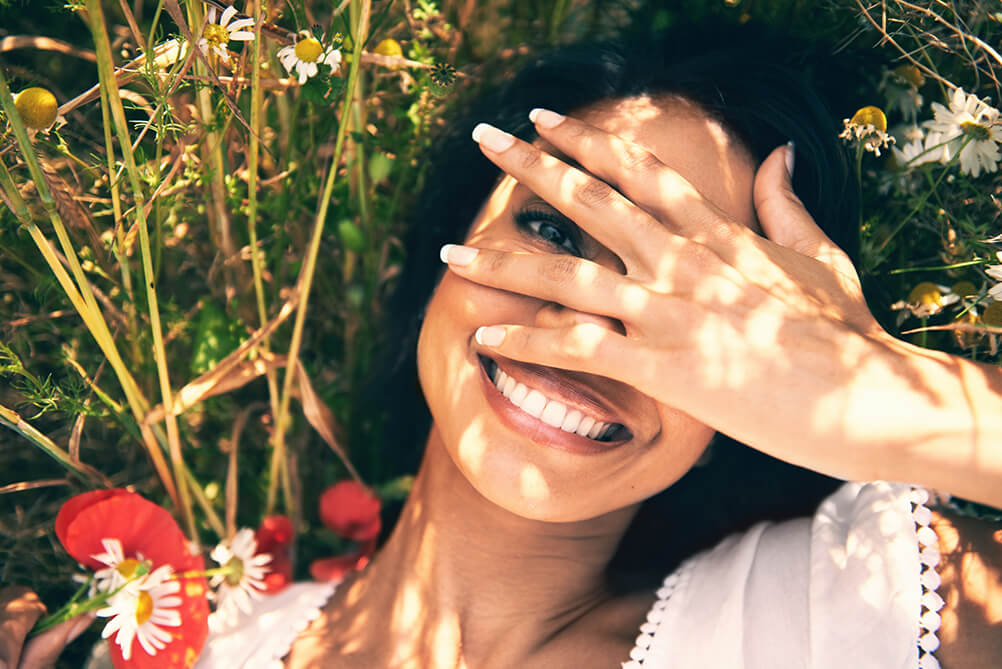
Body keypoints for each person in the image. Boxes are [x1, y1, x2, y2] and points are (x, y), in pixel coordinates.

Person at [3, 22, 1001, 669]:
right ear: (451, 244)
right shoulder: (187, 642)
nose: (580, 332)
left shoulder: (847, 606)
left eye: (683, 305)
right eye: (555, 234)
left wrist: (881, 400)